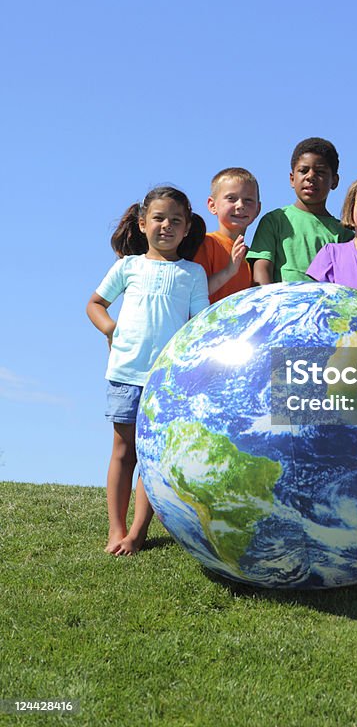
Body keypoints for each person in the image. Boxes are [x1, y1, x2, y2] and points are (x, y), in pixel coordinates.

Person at [86, 186, 209, 556]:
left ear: (187, 228)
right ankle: (115, 529)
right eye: (158, 218)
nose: (166, 226)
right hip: (125, 372)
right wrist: (110, 328)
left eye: (176, 221)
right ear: (142, 224)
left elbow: (199, 322)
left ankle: (138, 533)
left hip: (168, 379)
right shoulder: (128, 266)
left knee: (153, 454)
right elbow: (94, 304)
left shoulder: (193, 273)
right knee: (124, 452)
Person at [248, 137, 353, 284]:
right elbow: (261, 270)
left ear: (334, 181)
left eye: (320, 172)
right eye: (303, 171)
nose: (310, 176)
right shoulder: (275, 220)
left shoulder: (344, 234)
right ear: (292, 179)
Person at [193, 167, 261, 304]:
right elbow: (193, 292)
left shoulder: (254, 256)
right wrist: (229, 271)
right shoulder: (206, 243)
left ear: (258, 209)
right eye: (231, 198)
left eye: (248, 200)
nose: (240, 205)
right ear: (212, 205)